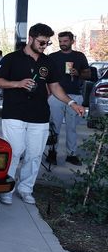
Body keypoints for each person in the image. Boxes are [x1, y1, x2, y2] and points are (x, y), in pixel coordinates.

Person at [0, 23, 85, 205]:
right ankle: (7, 189)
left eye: (47, 43)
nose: (44, 46)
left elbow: (55, 86)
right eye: (42, 42)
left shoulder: (47, 62)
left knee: (34, 155)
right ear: (31, 39)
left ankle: (26, 189)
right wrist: (17, 84)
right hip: (14, 113)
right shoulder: (12, 58)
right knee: (15, 152)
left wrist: (72, 103)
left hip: (39, 115)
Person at [46, 31, 90, 166]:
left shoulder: (79, 56)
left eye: (65, 41)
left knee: (72, 127)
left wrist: (79, 73)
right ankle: (52, 153)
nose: (62, 44)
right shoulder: (52, 57)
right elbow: (46, 77)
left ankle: (71, 154)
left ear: (72, 41)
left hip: (75, 95)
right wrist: (49, 94)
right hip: (56, 97)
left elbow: (87, 74)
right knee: (54, 127)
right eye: (60, 41)